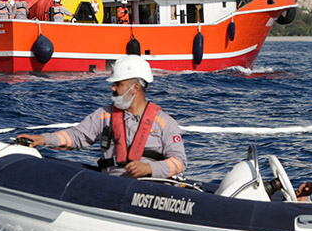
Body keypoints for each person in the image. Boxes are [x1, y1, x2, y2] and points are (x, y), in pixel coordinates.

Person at [16, 56, 186, 179]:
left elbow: (179, 162)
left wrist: (149, 168)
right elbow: (77, 136)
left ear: (135, 88)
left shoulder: (165, 122)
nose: (112, 88)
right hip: (113, 184)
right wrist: (43, 139)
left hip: (151, 187)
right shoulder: (104, 115)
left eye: (118, 84)